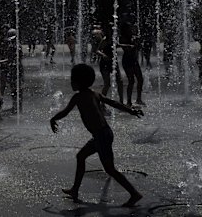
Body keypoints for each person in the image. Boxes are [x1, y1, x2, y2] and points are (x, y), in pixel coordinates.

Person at [49, 64, 144, 207]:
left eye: (73, 80)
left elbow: (65, 112)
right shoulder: (94, 93)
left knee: (110, 169)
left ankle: (134, 194)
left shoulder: (78, 97)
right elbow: (113, 103)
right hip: (103, 134)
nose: (71, 83)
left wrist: (53, 119)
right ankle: (75, 190)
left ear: (79, 82)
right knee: (81, 157)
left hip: (101, 136)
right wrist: (130, 111)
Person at [96, 30, 123, 103]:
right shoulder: (105, 40)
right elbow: (97, 51)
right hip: (105, 63)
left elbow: (118, 45)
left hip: (113, 62)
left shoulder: (114, 39)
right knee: (107, 84)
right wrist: (103, 55)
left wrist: (127, 45)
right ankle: (101, 103)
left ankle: (121, 102)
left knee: (120, 82)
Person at [120, 24, 144, 106]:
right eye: (130, 28)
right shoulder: (123, 38)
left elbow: (139, 48)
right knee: (131, 81)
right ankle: (129, 101)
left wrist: (138, 42)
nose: (132, 30)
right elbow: (125, 48)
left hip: (134, 60)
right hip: (127, 61)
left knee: (140, 79)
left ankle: (139, 99)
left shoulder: (134, 37)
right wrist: (131, 45)